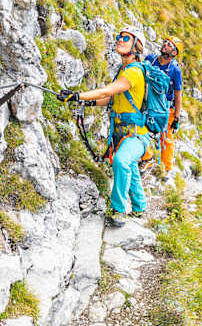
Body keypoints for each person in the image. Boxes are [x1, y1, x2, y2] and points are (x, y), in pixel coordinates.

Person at [58, 25, 150, 227]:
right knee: (129, 165)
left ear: (136, 45)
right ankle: (140, 206)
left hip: (136, 135)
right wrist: (86, 102)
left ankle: (118, 210)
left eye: (125, 38)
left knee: (121, 161)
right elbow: (110, 99)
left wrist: (77, 95)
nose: (119, 39)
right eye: (119, 36)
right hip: (123, 133)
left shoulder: (134, 73)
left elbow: (107, 91)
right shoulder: (124, 70)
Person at [143, 36, 183, 174]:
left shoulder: (175, 70)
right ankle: (146, 158)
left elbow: (178, 95)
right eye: (165, 42)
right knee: (140, 127)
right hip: (147, 101)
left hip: (166, 108)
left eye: (170, 44)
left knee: (166, 137)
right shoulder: (150, 59)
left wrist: (176, 117)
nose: (165, 44)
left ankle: (166, 169)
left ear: (174, 53)